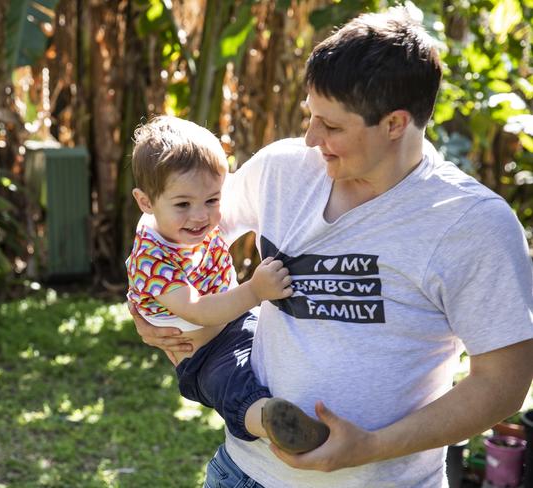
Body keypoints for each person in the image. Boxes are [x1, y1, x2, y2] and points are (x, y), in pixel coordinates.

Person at [131, 7, 533, 488]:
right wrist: (149, 310)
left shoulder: (473, 224)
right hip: (244, 473)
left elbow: (503, 383)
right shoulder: (282, 169)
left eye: (332, 127)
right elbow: (171, 221)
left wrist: (372, 447)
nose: (310, 138)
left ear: (394, 123)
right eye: (311, 117)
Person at [126, 115, 331, 454]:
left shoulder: (187, 221)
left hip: (239, 324)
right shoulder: (153, 257)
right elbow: (197, 310)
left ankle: (306, 411)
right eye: (183, 205)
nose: (200, 216)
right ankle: (271, 421)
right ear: (146, 202)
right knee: (231, 386)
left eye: (212, 200)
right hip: (203, 354)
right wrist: (254, 291)